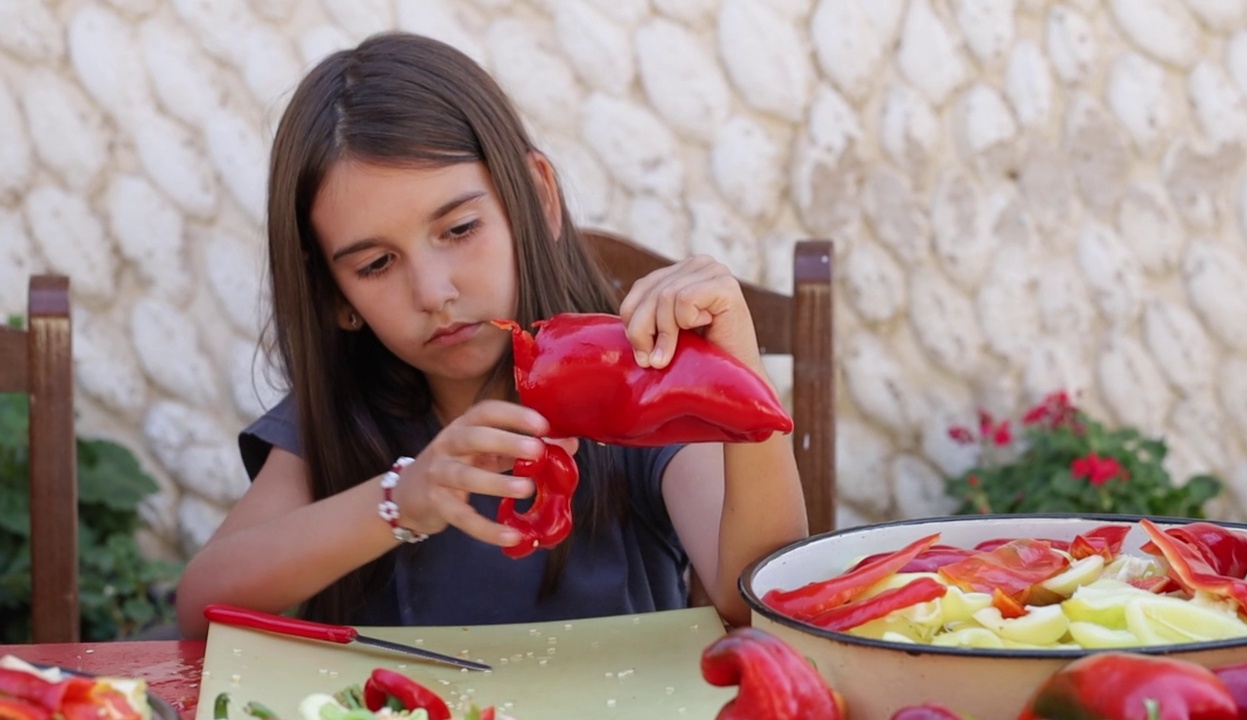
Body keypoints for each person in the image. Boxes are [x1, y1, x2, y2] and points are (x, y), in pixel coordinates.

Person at [175, 31, 807, 637]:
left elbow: (757, 601)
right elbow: (203, 608)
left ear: (538, 198)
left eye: (458, 230)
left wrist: (736, 369)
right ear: (336, 298)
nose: (433, 292)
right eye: (375, 265)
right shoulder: (346, 417)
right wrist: (401, 500)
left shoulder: (638, 377)